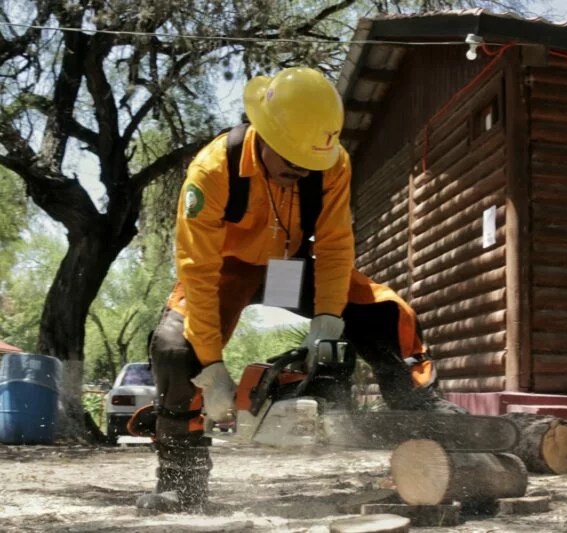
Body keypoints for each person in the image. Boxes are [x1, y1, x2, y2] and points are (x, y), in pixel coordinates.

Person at [136, 67, 465, 514]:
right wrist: (212, 368)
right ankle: (181, 480)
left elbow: (333, 246)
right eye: (292, 164)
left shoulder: (332, 164)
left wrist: (328, 320)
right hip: (225, 268)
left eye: (311, 167)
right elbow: (198, 271)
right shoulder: (212, 170)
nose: (302, 173)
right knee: (176, 347)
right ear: (265, 135)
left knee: (387, 312)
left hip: (289, 265)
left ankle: (423, 411)